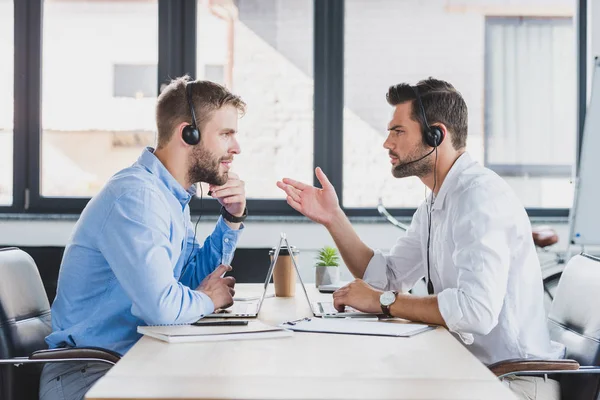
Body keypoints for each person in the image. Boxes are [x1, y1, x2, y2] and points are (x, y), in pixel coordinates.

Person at [277, 78, 565, 400]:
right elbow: (387, 278)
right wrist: (334, 218)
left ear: (435, 135)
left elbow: (475, 311)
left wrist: (382, 302)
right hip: (467, 370)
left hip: (510, 383)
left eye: (398, 131)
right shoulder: (436, 200)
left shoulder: (479, 197)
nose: (387, 143)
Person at [39, 76, 248, 400]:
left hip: (129, 363)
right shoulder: (137, 198)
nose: (236, 148)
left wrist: (231, 219)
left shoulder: (170, 198)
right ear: (187, 134)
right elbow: (163, 309)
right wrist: (209, 299)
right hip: (89, 375)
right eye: (226, 135)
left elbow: (192, 281)